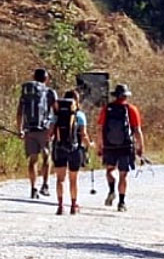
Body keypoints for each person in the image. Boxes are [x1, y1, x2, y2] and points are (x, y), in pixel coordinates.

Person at [93, 82, 144, 212]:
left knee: (110, 170)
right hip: (126, 145)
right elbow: (137, 130)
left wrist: (99, 146)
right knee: (123, 175)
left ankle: (111, 190)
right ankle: (121, 202)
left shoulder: (107, 109)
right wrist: (140, 148)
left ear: (115, 95)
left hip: (110, 145)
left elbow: (99, 129)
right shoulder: (131, 109)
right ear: (126, 96)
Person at [15, 68, 55, 199]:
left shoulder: (27, 92)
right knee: (46, 157)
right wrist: (54, 129)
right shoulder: (50, 92)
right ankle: (45, 185)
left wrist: (20, 129)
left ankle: (33, 188)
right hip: (44, 130)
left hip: (29, 130)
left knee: (33, 160)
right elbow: (56, 112)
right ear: (46, 79)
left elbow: (20, 112)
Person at [48, 89, 88, 215]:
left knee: (60, 179)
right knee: (73, 179)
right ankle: (73, 205)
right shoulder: (80, 115)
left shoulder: (56, 115)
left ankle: (60, 206)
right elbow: (83, 134)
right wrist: (89, 144)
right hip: (74, 149)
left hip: (59, 148)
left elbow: (50, 133)